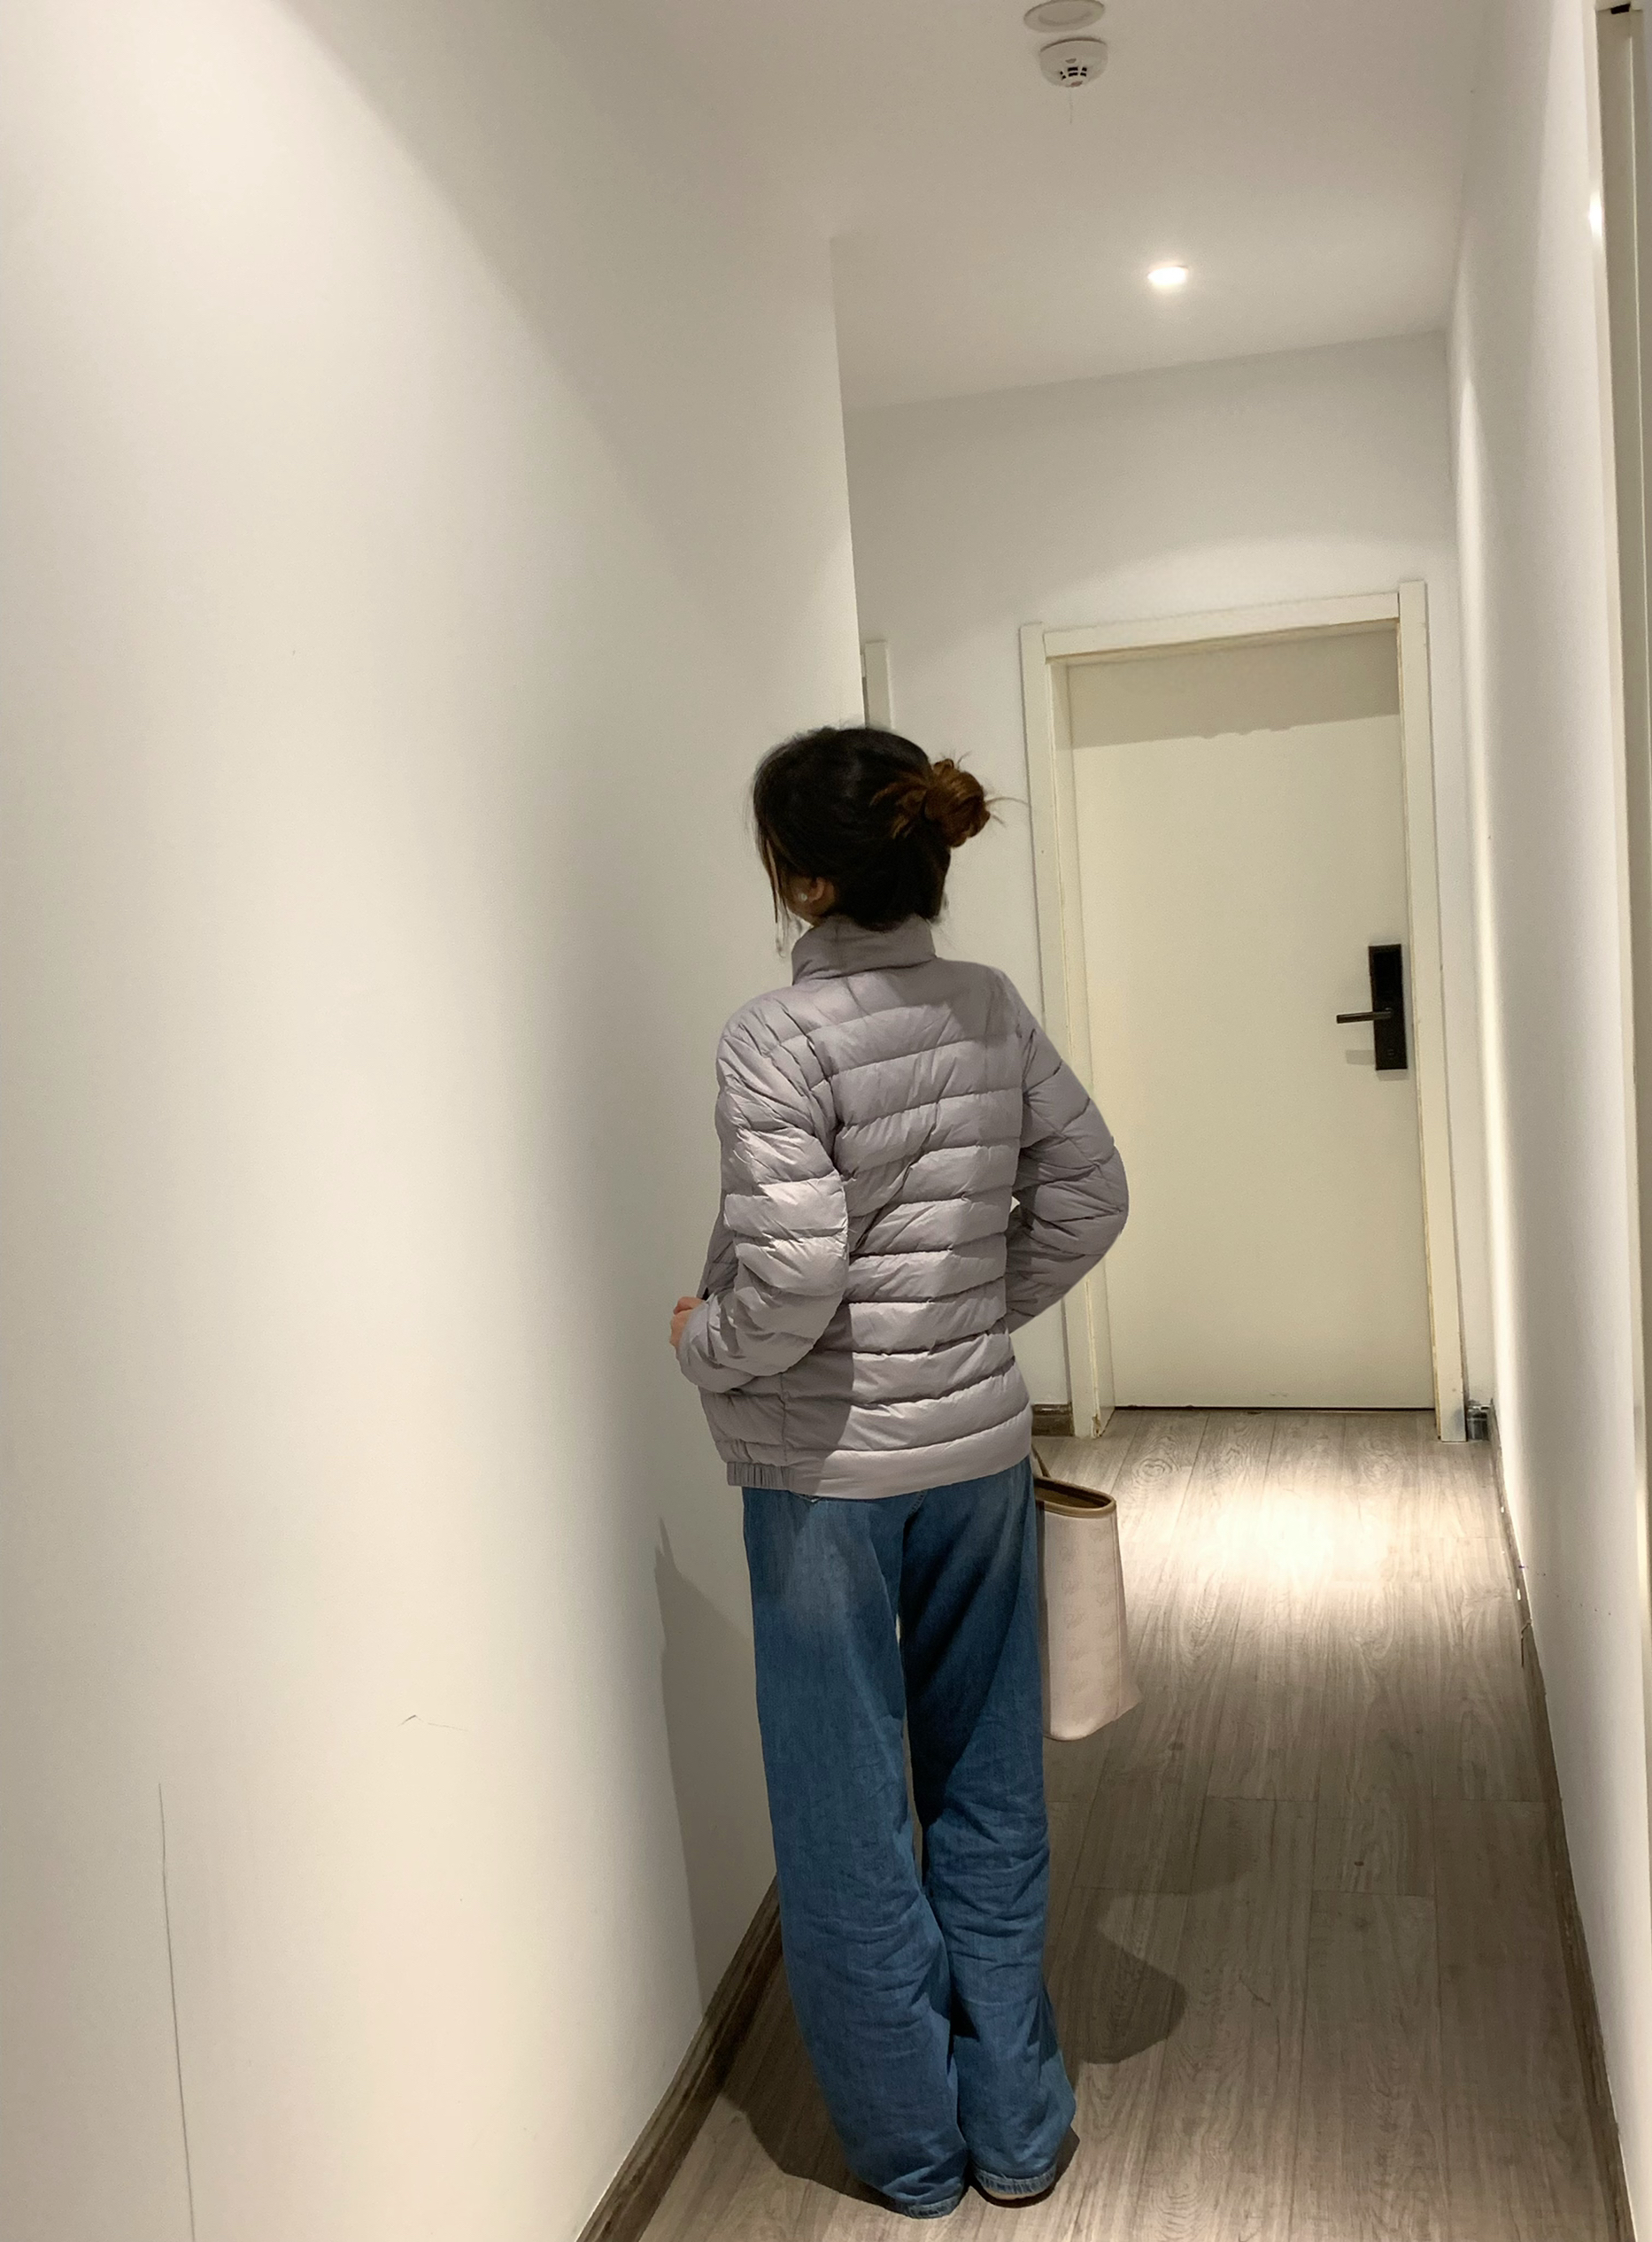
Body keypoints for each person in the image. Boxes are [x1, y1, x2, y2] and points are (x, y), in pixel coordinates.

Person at [668, 724, 1128, 2220]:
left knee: (846, 1822)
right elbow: (1090, 1194)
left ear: (801, 878)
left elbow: (797, 1270)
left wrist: (706, 1343)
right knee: (988, 1786)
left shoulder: (773, 1037)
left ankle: (915, 2157)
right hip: (977, 1455)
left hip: (824, 1484)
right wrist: (966, 1321)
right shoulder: (987, 1004)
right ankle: (1018, 2133)